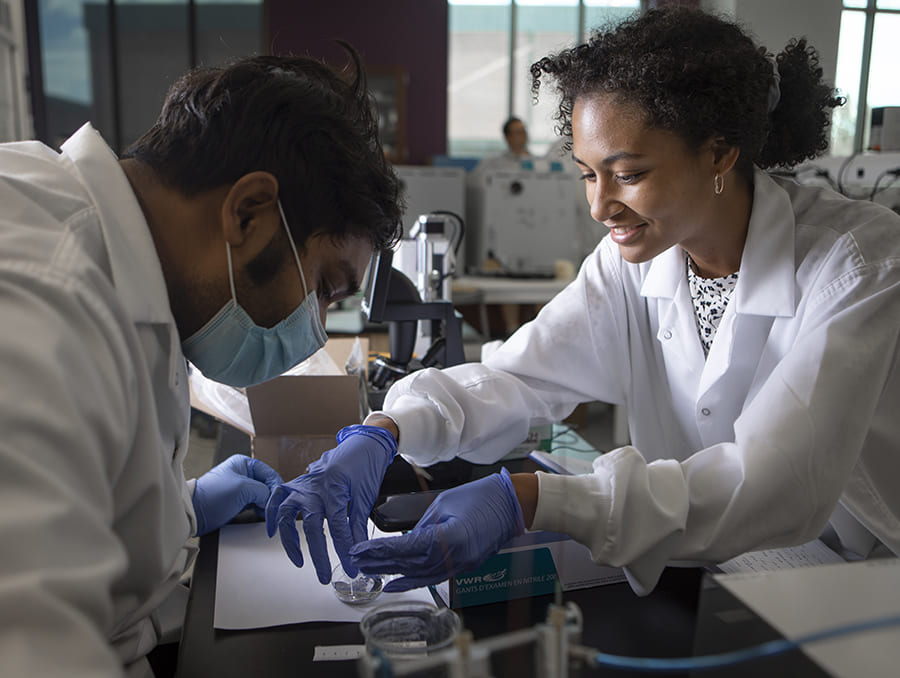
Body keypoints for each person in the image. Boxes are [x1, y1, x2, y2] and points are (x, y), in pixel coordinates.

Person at [267, 6, 900, 598]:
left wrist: (535, 499)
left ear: (719, 151)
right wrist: (387, 429)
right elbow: (520, 377)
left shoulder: (858, 264)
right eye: (588, 174)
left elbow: (778, 485)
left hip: (859, 582)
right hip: (724, 567)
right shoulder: (636, 264)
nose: (599, 208)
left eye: (628, 175)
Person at [0, 46, 402, 676]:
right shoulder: (37, 295)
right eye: (325, 285)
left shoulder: (133, 280)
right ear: (248, 214)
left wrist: (178, 509)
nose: (317, 327)